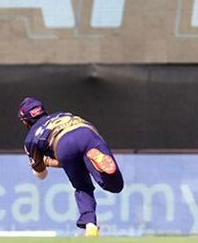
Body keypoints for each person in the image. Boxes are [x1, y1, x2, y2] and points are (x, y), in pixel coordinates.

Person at [18, 97, 124, 237]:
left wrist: (45, 162)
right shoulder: (62, 114)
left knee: (82, 187)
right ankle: (95, 158)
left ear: (25, 121)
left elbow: (41, 174)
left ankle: (90, 225)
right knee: (116, 186)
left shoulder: (31, 138)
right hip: (87, 133)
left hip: (62, 144)